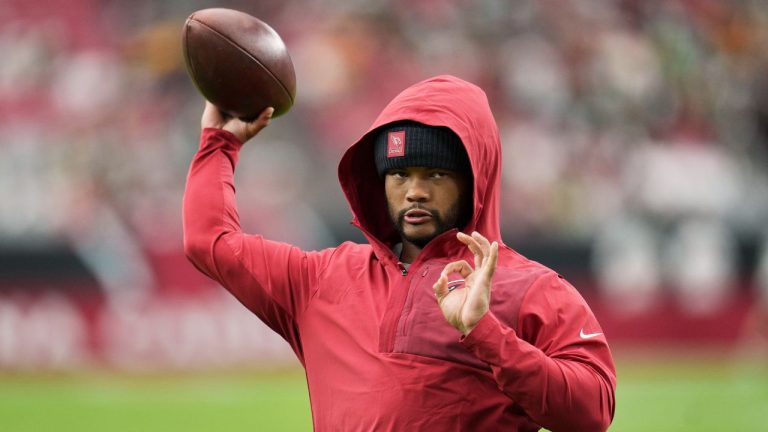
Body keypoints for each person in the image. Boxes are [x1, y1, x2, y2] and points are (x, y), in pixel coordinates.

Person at [183, 75, 616, 431]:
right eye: (399, 173)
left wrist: (487, 335)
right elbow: (210, 241)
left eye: (436, 174)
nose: (415, 191)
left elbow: (592, 412)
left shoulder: (531, 289)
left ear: (474, 180)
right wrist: (220, 143)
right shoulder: (320, 279)